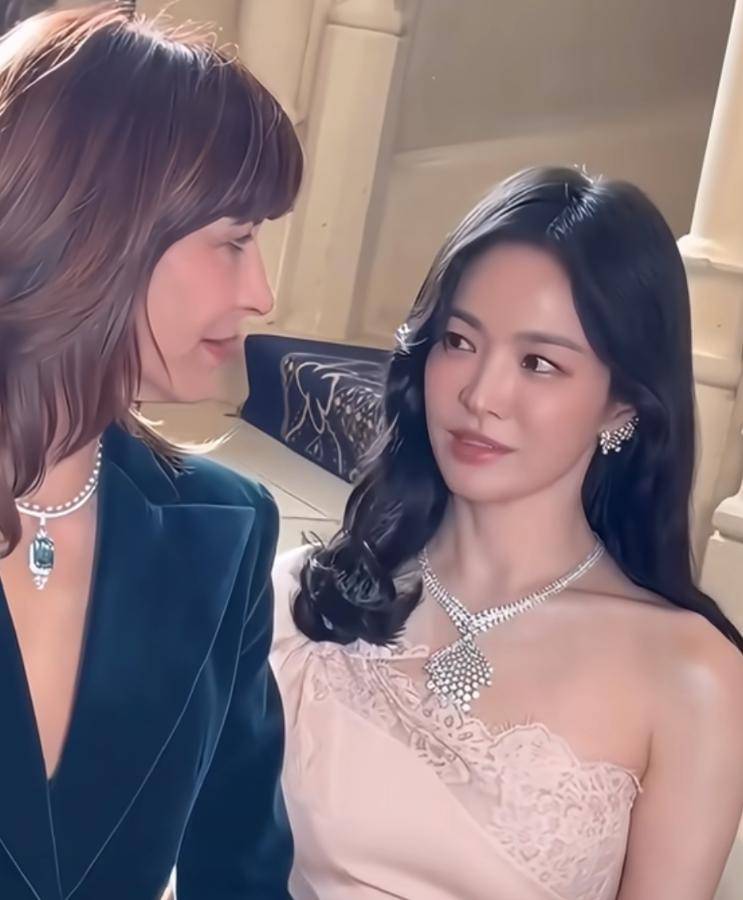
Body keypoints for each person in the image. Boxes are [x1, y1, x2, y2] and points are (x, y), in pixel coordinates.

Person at [271, 166, 743, 900]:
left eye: (538, 363)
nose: (480, 395)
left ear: (622, 405)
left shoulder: (692, 675)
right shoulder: (303, 599)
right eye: (459, 341)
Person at [0, 5, 302, 898]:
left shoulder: (227, 530)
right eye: (234, 240)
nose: (262, 293)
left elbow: (239, 869)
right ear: (96, 229)